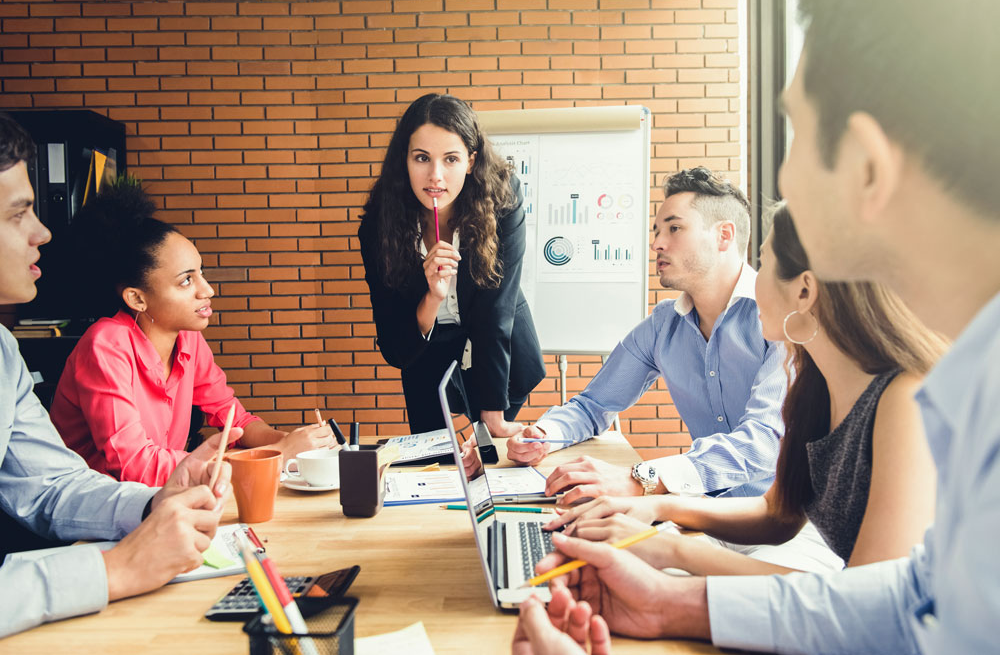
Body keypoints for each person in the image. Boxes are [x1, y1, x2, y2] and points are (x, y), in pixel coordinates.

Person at [515, 0, 1000, 652]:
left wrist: (663, 535)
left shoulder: (928, 397)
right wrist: (663, 596)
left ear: (864, 166)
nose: (782, 180)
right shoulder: (957, 382)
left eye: (794, 135)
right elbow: (908, 597)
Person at [546, 204, 944, 576]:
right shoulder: (813, 383)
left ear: (804, 292)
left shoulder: (905, 398)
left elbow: (872, 599)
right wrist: (656, 506)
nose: (753, 279)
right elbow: (780, 513)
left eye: (765, 263)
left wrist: (670, 550)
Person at [0, 112, 235, 638]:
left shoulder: (3, 352)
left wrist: (157, 501)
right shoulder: (107, 342)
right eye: (18, 216)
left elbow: (50, 488)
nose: (43, 232)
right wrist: (117, 568)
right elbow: (123, 458)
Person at [509, 167, 788, 503]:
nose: (656, 243)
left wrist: (643, 479)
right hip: (705, 512)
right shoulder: (663, 325)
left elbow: (764, 441)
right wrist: (544, 435)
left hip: (783, 525)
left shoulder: (783, 321)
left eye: (674, 228)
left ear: (723, 236)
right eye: (657, 231)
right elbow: (594, 404)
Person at [49, 183, 335, 487]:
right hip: (99, 514)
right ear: (137, 299)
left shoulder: (187, 338)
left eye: (201, 272)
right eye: (186, 281)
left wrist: (295, 442)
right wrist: (277, 454)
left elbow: (233, 420)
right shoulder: (105, 345)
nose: (207, 290)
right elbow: (136, 465)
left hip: (160, 500)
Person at [358, 93, 545, 436]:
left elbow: (496, 309)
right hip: (425, 350)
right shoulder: (378, 225)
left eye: (451, 159)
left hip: (498, 352)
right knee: (434, 459)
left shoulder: (502, 199)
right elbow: (394, 343)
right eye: (421, 158)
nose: (435, 176)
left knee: (488, 452)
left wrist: (491, 416)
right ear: (404, 160)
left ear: (471, 161)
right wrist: (432, 296)